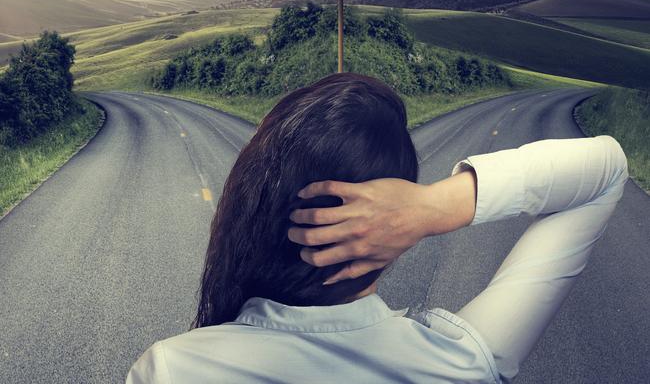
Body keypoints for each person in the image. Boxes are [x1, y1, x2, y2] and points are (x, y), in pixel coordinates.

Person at [126, 72, 628, 384]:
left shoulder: (172, 370)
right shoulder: (464, 364)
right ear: (390, 229)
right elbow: (605, 171)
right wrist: (434, 206)